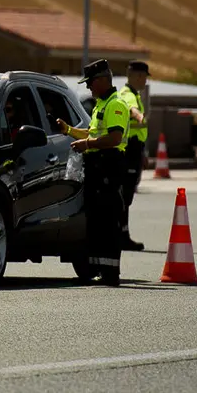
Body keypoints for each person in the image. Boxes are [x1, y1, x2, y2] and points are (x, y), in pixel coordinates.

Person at [57, 59, 130, 287]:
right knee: (97, 221)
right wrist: (69, 130)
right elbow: (92, 132)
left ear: (102, 80)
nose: (88, 87)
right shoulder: (101, 104)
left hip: (109, 166)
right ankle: (100, 270)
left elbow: (114, 138)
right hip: (98, 168)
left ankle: (110, 273)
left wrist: (87, 145)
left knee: (108, 222)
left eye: (90, 82)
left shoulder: (115, 105)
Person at [119, 60, 150, 252]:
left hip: (135, 150)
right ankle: (121, 236)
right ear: (136, 76)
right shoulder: (128, 95)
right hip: (129, 150)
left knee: (126, 195)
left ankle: (122, 234)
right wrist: (138, 116)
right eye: (143, 76)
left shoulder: (134, 94)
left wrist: (143, 153)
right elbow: (132, 110)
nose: (145, 81)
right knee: (124, 195)